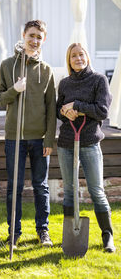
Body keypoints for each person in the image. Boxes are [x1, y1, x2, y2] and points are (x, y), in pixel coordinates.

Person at [0, 20, 56, 248]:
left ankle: (43, 231)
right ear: (23, 35)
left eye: (39, 37)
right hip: (14, 138)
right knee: (15, 187)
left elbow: (51, 108)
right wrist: (15, 90)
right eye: (31, 35)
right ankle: (14, 232)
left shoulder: (47, 70)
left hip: (39, 138)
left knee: (41, 186)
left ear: (43, 40)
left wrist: (49, 138)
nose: (34, 40)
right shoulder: (7, 65)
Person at [56, 42, 116, 253]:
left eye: (81, 55)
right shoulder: (64, 83)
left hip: (89, 141)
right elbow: (58, 109)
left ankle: (107, 236)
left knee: (96, 190)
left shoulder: (99, 80)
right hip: (66, 142)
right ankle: (70, 233)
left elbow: (102, 111)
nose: (78, 58)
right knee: (70, 191)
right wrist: (65, 111)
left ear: (87, 57)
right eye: (73, 56)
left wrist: (77, 107)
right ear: (69, 60)